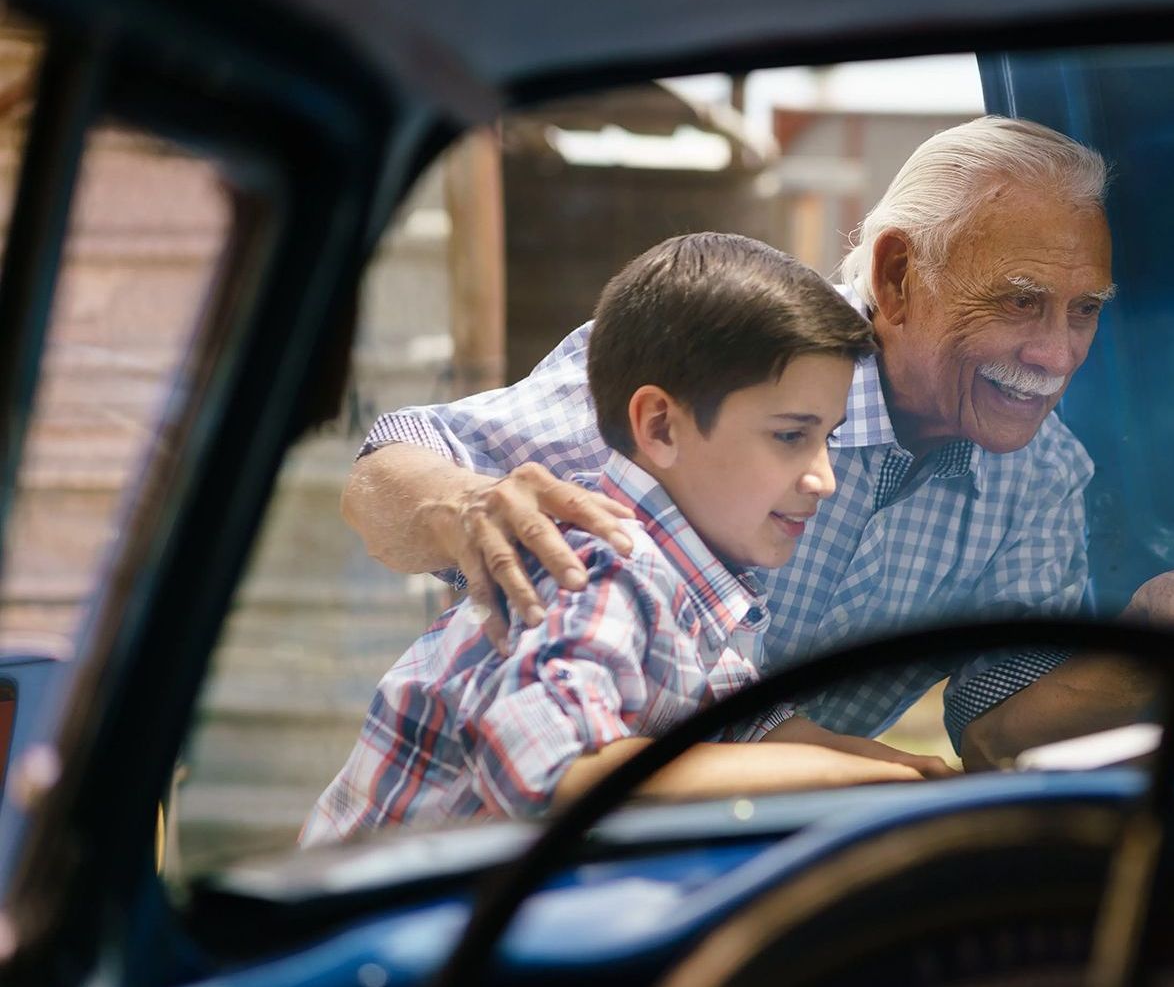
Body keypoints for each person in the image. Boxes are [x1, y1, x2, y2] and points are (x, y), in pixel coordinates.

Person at [342, 116, 1174, 773]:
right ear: (895, 278)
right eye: (1021, 302)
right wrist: (466, 509)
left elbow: (996, 724)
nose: (1057, 355)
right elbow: (390, 465)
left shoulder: (1045, 479)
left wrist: (1146, 650)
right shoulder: (722, 353)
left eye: (1083, 312)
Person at [302, 233, 952, 845]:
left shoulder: (706, 596)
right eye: (791, 436)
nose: (825, 479)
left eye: (829, 438)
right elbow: (556, 770)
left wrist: (917, 774)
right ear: (660, 427)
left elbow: (755, 736)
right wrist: (851, 780)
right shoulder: (605, 567)